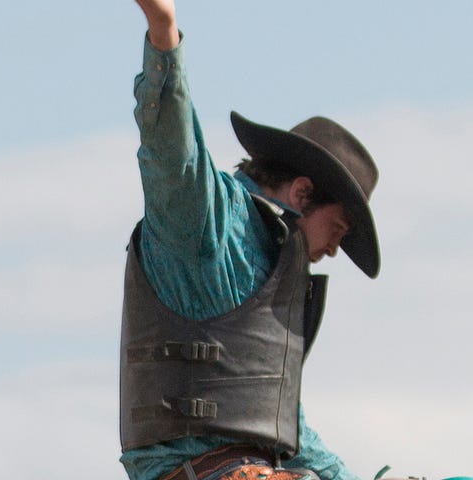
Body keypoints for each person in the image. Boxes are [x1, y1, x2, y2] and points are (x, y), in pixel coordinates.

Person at [117, 1, 381, 480]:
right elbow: (173, 152)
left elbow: (287, 431)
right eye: (338, 228)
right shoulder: (206, 221)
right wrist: (164, 33)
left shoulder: (277, 276)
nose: (335, 250)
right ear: (303, 193)